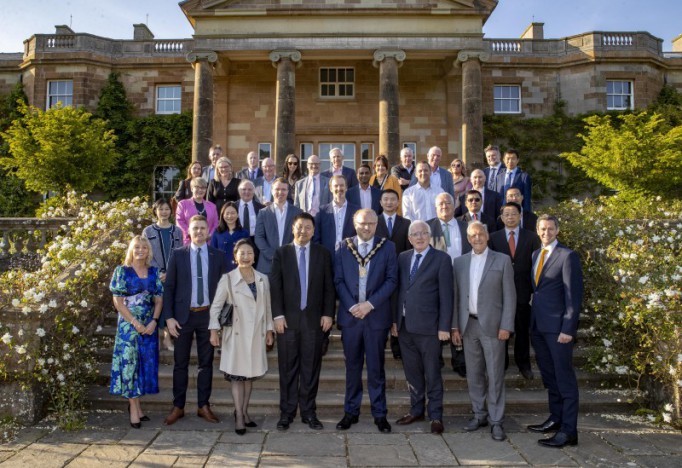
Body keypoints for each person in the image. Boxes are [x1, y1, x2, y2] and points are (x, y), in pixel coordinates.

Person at [270, 213, 336, 431]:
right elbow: (275, 287)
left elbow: (329, 286)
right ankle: (286, 413)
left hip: (314, 322)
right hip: (287, 322)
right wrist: (277, 315)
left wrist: (328, 314)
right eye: (300, 227)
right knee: (287, 369)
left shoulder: (323, 254)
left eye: (308, 227)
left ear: (314, 231)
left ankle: (308, 412)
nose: (303, 231)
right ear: (292, 228)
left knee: (310, 369)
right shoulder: (281, 253)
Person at [334, 209, 397, 433]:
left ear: (376, 223)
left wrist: (369, 305)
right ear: (354, 223)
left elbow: (391, 280)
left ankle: (380, 414)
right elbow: (338, 280)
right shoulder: (343, 247)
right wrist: (353, 306)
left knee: (376, 368)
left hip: (375, 317)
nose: (367, 227)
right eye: (362, 223)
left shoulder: (387, 247)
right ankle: (351, 412)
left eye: (371, 223)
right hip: (351, 318)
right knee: (352, 368)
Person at [452, 221, 516, 442]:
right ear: (468, 239)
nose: (476, 238)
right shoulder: (459, 263)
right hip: (468, 326)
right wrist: (455, 326)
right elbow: (456, 298)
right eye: (472, 235)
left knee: (495, 374)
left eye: (480, 234)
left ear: (487, 236)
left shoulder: (503, 260)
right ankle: (479, 414)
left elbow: (510, 296)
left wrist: (507, 325)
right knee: (474, 374)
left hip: (493, 327)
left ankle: (496, 420)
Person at [162, 215, 228, 426]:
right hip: (182, 317)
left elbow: (224, 290)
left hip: (207, 317)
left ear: (208, 231)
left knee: (205, 364)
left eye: (202, 228)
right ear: (188, 232)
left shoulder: (218, 256)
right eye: (195, 228)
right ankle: (178, 406)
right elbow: (169, 288)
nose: (199, 231)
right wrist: (169, 318)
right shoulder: (178, 255)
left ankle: (203, 405)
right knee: (180, 364)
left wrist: (218, 321)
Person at [392, 220, 453, 435]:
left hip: (430, 328)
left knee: (432, 373)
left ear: (430, 236)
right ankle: (416, 410)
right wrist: (394, 321)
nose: (419, 237)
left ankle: (435, 415)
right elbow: (398, 291)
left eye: (423, 233)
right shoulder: (402, 258)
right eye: (415, 234)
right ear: (409, 238)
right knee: (412, 373)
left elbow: (447, 296)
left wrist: (445, 326)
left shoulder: (442, 259)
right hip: (405, 327)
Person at [528, 214, 583, 448]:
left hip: (559, 330)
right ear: (537, 230)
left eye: (550, 229)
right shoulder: (535, 255)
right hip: (539, 327)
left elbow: (574, 295)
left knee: (565, 379)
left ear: (557, 230)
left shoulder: (567, 256)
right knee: (550, 377)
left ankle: (569, 431)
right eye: (542, 229)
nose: (546, 233)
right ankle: (556, 418)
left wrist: (568, 328)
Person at [209, 239, 274, 435]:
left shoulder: (263, 278)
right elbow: (216, 307)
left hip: (256, 335)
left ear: (255, 257)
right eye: (242, 253)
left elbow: (268, 307)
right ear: (235, 257)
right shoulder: (228, 279)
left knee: (249, 378)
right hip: (236, 336)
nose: (246, 257)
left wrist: (269, 330)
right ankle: (238, 414)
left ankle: (245, 411)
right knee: (237, 377)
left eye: (249, 253)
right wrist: (213, 330)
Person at [109, 236, 163, 429]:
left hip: (149, 326)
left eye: (144, 248)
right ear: (131, 250)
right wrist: (134, 323)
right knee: (130, 365)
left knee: (144, 365)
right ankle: (133, 410)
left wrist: (154, 321)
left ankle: (138, 408)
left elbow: (158, 300)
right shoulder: (122, 271)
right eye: (137, 247)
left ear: (149, 251)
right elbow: (118, 302)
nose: (141, 250)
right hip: (128, 326)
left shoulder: (154, 272)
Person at [489, 202, 541, 380]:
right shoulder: (493, 238)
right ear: (501, 218)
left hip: (523, 292)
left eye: (513, 214)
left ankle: (523, 364)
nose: (510, 217)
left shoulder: (532, 237)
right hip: (499, 293)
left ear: (520, 216)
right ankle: (501, 364)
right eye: (506, 214)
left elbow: (536, 267)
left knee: (521, 330)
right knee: (500, 330)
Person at [426, 192, 471, 377]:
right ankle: (436, 359)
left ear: (454, 206)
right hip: (435, 281)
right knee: (438, 318)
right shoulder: (428, 227)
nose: (444, 206)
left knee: (459, 319)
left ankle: (459, 360)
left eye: (448, 203)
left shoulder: (466, 227)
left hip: (462, 279)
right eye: (441, 204)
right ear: (436, 208)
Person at [142, 198, 183, 351]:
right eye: (161, 209)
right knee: (155, 304)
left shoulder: (177, 231)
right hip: (154, 275)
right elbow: (145, 253)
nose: (164, 212)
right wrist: (158, 272)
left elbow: (180, 253)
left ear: (170, 212)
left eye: (167, 209)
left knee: (169, 304)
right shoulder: (148, 231)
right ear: (155, 211)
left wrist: (171, 272)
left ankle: (167, 338)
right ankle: (156, 338)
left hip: (173, 275)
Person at [375, 188, 411, 360]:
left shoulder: (406, 223)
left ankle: (397, 346)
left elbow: (408, 249)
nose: (389, 202)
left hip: (400, 272)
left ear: (398, 203)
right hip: (378, 274)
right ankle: (380, 343)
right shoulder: (374, 222)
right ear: (380, 202)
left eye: (392, 199)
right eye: (386, 199)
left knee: (398, 308)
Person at [254, 178, 302, 274]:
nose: (280, 192)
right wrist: (273, 256)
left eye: (284, 189)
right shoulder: (263, 213)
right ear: (272, 191)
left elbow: (299, 236)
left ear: (288, 192)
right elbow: (259, 238)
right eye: (277, 189)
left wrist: (287, 255)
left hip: (290, 263)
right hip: (267, 265)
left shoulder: (297, 212)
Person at [313, 175, 359, 256]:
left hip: (350, 256)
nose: (339, 188)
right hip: (327, 257)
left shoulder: (356, 211)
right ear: (331, 188)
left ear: (346, 187)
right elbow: (316, 237)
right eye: (336, 186)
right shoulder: (321, 211)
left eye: (342, 185)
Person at [175, 178, 219, 245]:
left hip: (208, 242)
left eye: (203, 188)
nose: (200, 190)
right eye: (197, 187)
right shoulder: (182, 204)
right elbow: (179, 221)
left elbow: (216, 224)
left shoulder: (212, 206)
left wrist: (210, 235)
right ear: (192, 189)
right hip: (189, 242)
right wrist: (190, 233)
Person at [210, 201, 250, 272]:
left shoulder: (244, 233)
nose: (230, 216)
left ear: (237, 215)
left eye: (233, 213)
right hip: (222, 271)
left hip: (239, 270)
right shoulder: (217, 232)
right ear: (222, 215)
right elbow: (212, 253)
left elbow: (248, 253)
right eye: (227, 213)